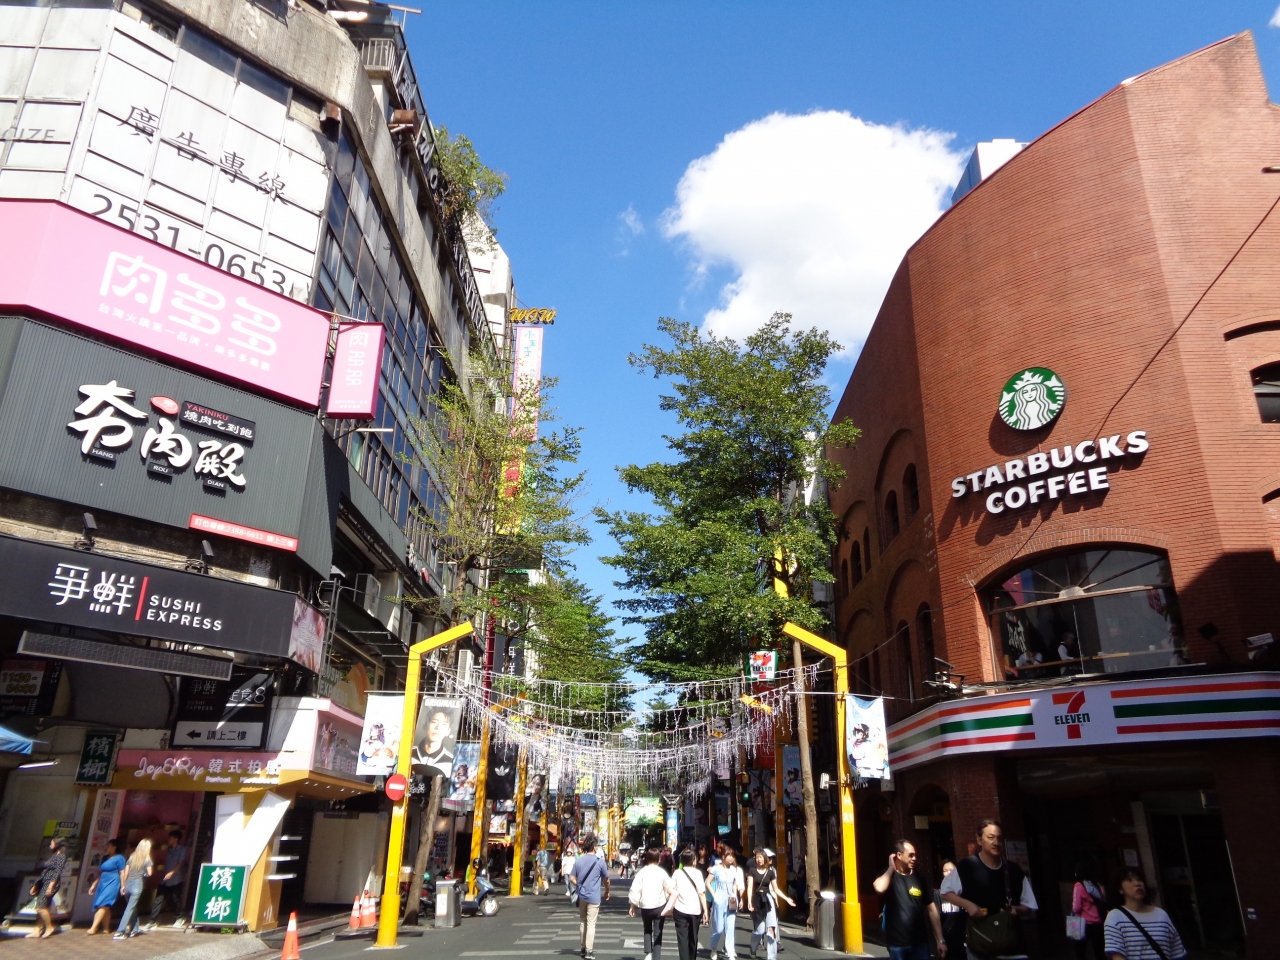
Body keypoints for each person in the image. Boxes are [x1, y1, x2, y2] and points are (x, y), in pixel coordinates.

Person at [940, 820, 1037, 960]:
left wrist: (1017, 910)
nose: (996, 842)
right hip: (980, 948)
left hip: (1013, 948)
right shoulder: (966, 867)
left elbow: (1029, 906)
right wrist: (968, 905)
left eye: (999, 838)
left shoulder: (1014, 870)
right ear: (979, 840)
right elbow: (945, 891)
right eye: (990, 837)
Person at [873, 840, 946, 960]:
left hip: (920, 944)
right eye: (911, 855)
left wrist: (940, 940)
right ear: (899, 855)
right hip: (897, 945)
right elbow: (879, 888)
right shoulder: (889, 876)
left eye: (915, 855)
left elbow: (932, 910)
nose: (914, 858)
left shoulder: (920, 878)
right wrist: (891, 868)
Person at [1103, 869, 1186, 960]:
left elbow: (1177, 952)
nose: (1137, 884)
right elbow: (1117, 956)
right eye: (1130, 880)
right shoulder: (1115, 917)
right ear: (1120, 889)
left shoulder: (1161, 915)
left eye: (1140, 880)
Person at [746, 849, 795, 960]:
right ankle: (753, 948)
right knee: (760, 930)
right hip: (757, 900)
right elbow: (749, 887)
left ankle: (772, 957)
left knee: (771, 929)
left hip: (768, 900)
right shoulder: (752, 871)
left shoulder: (771, 872)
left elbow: (776, 889)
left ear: (765, 859)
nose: (759, 860)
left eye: (760, 857)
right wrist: (749, 902)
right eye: (757, 858)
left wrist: (786, 898)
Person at [568, 834, 611, 960]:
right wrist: (607, 891)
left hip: (581, 896)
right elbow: (607, 880)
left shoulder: (579, 860)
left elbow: (571, 878)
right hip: (594, 897)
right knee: (591, 923)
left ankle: (582, 949)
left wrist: (579, 884)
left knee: (583, 921)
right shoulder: (600, 862)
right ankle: (589, 951)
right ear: (594, 847)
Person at [630, 846, 674, 960]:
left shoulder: (642, 872)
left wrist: (633, 905)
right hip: (660, 906)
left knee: (647, 929)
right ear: (658, 859)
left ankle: (648, 953)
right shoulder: (662, 872)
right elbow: (669, 887)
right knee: (658, 933)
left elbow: (635, 889)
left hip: (645, 906)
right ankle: (657, 957)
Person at [670, 848, 709, 960]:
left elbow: (670, 889)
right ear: (693, 860)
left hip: (679, 909)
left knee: (682, 938)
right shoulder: (698, 873)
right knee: (693, 937)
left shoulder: (677, 873)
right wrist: (706, 911)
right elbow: (701, 893)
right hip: (695, 910)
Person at [708, 847, 745, 960]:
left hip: (731, 900)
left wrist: (737, 897)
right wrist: (714, 896)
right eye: (729, 856)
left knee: (730, 927)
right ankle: (713, 947)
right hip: (719, 899)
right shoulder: (716, 868)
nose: (731, 858)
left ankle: (730, 951)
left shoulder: (734, 869)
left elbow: (735, 884)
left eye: (732, 856)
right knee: (718, 928)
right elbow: (707, 882)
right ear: (723, 857)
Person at [28, 836, 68, 938]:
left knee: (40, 907)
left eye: (52, 843)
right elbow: (46, 871)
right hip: (43, 881)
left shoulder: (61, 856)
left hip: (50, 883)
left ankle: (49, 927)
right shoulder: (54, 855)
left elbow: (57, 872)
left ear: (57, 844)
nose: (50, 845)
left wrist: (51, 886)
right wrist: (37, 884)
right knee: (43, 906)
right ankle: (37, 930)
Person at [148, 829, 189, 927]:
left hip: (175, 879)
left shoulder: (182, 850)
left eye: (170, 838)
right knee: (158, 899)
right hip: (165, 879)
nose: (168, 840)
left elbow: (180, 863)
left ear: (176, 839)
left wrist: (172, 873)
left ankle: (179, 917)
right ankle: (152, 921)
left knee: (176, 899)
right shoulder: (169, 850)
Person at [86, 838, 126, 935]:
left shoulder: (119, 858)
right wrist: (94, 885)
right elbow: (100, 872)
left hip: (113, 882)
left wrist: (123, 885)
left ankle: (93, 927)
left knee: (103, 904)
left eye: (108, 846)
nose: (106, 847)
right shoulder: (105, 858)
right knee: (106, 906)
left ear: (114, 847)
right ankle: (106, 928)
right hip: (102, 882)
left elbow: (122, 872)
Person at [115, 838, 152, 939]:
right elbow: (150, 873)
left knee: (132, 907)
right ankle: (120, 931)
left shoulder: (132, 857)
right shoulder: (147, 859)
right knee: (130, 909)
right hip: (137, 884)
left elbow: (125, 873)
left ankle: (135, 929)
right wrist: (143, 874)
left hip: (128, 883)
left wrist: (123, 886)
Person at [1070, 860, 1106, 960]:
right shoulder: (1098, 885)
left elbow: (1076, 907)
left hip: (1082, 922)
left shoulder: (1079, 885)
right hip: (1098, 921)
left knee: (1080, 950)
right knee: (1099, 950)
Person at [415, 708, 456, 778]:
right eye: (434, 722)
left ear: (448, 731)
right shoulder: (408, 753)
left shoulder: (451, 761)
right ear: (425, 726)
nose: (438, 727)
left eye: (444, 724)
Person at [939, 861, 967, 960]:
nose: (948, 873)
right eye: (945, 870)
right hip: (947, 941)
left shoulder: (963, 893)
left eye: (951, 870)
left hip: (964, 940)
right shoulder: (938, 894)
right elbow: (935, 918)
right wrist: (940, 940)